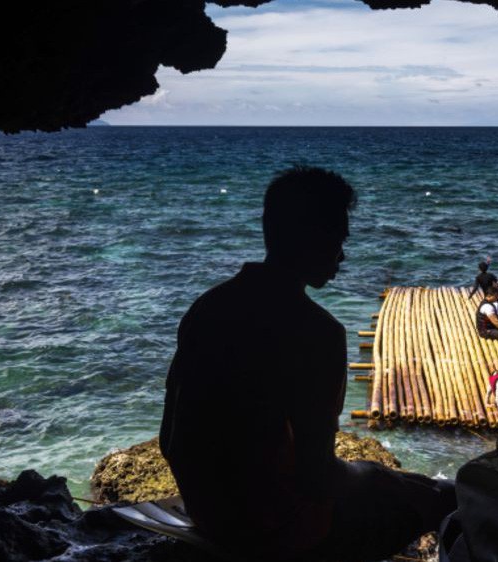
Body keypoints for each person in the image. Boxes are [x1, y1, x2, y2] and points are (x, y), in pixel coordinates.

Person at [159, 166, 456, 561]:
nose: (343, 256)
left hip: (209, 516)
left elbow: (171, 437)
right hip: (283, 537)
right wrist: (376, 475)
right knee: (446, 497)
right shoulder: (318, 332)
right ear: (315, 237)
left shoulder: (207, 308)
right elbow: (319, 478)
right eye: (339, 239)